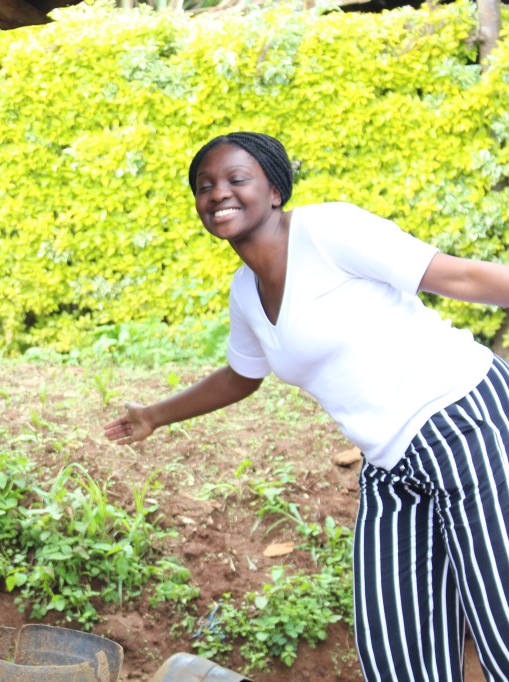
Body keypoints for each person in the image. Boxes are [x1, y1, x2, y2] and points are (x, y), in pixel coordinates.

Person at [103, 131, 509, 682]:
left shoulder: (329, 231)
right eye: (205, 186)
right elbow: (241, 376)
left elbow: (458, 276)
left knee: (502, 631)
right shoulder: (245, 292)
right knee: (396, 651)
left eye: (236, 179)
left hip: (464, 421)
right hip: (390, 466)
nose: (218, 193)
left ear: (275, 190)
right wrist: (153, 415)